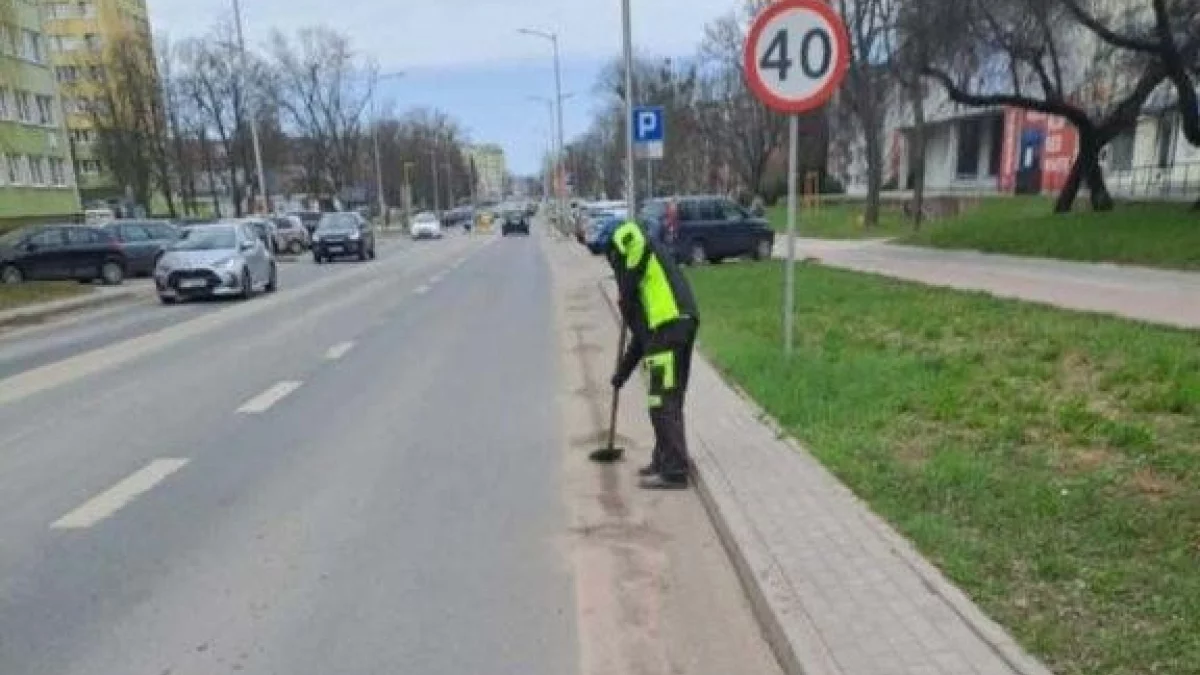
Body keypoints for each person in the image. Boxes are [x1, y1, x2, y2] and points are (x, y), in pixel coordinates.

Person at [600, 219, 700, 489]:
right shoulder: (640, 288)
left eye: (610, 257)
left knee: (661, 401)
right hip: (680, 323)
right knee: (670, 398)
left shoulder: (634, 245)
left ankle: (676, 470)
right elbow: (640, 341)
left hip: (669, 325)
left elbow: (631, 234)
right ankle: (666, 459)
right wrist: (621, 374)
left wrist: (626, 291)